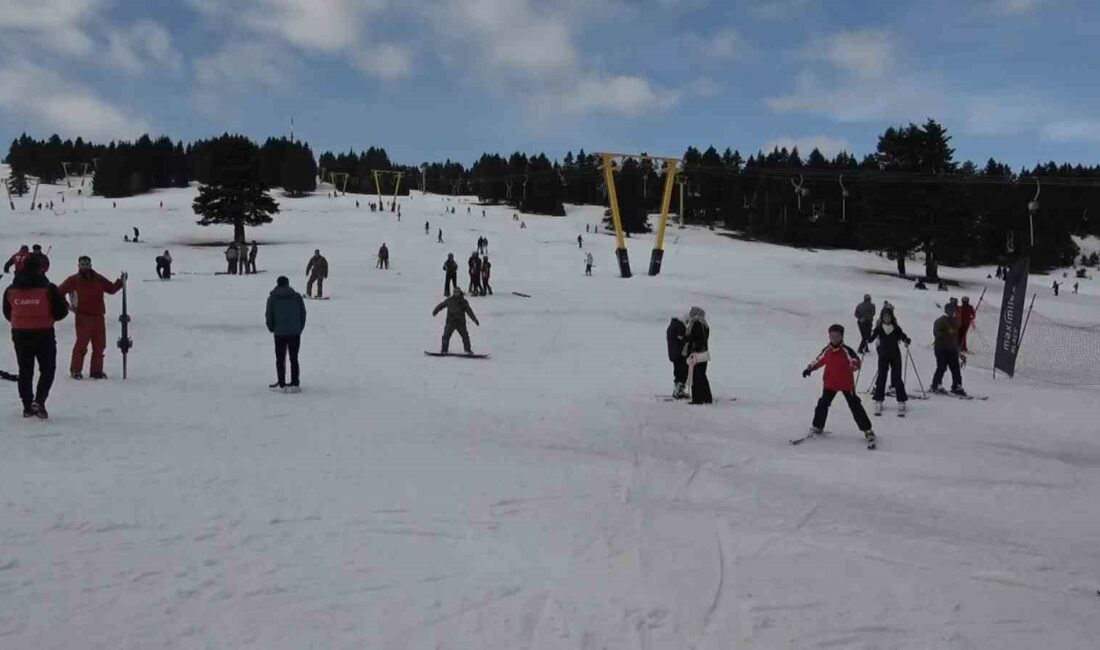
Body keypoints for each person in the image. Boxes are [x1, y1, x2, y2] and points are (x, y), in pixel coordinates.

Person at [3, 255, 68, 418]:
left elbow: (7, 312)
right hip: (44, 333)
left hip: (20, 334)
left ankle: (26, 406)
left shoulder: (11, 289)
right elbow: (61, 311)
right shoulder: (48, 288)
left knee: (25, 370)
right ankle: (39, 401)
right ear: (40, 268)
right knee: (47, 369)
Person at [801, 324, 875, 446]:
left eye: (837, 336)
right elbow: (818, 360)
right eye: (832, 336)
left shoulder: (846, 350)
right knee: (822, 404)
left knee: (855, 406)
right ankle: (817, 426)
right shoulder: (827, 350)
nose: (834, 339)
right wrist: (809, 369)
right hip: (830, 383)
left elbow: (855, 360)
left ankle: (867, 430)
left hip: (846, 384)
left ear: (842, 337)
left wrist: (854, 365)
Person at [57, 256, 125, 380]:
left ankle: (96, 371)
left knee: (100, 346)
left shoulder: (98, 278)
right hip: (83, 317)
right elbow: (58, 292)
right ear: (78, 266)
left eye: (87, 264)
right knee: (81, 345)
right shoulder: (73, 280)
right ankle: (76, 370)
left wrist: (120, 282)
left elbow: (111, 289)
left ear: (90, 265)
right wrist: (67, 306)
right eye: (82, 264)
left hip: (98, 316)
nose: (85, 266)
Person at [265, 276, 307, 393]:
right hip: (294, 332)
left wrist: (272, 328)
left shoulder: (272, 298)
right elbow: (302, 314)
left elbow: (269, 315)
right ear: (288, 284)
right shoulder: (297, 297)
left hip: (279, 332)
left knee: (280, 358)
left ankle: (282, 383)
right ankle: (295, 382)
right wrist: (299, 328)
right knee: (294, 358)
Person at [868, 306, 911, 415]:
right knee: (882, 377)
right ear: (882, 317)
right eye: (885, 316)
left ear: (892, 317)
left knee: (897, 378)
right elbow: (872, 337)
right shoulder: (879, 328)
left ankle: (901, 401)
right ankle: (879, 400)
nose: (887, 318)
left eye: (888, 316)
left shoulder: (896, 328)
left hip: (895, 355)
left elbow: (902, 336)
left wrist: (906, 340)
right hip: (883, 355)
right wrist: (868, 340)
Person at [432, 288, 480, 355]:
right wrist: (435, 311)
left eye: (458, 292)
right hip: (450, 322)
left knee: (465, 336)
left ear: (460, 292)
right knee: (446, 336)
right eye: (455, 292)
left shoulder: (464, 301)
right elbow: (441, 305)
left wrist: (475, 320)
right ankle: (444, 350)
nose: (456, 293)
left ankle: (468, 350)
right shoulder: (450, 300)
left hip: (460, 323)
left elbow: (469, 311)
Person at [931, 303, 965, 395]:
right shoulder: (941, 320)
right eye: (950, 310)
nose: (952, 312)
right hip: (941, 348)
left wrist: (957, 346)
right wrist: (946, 333)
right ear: (946, 311)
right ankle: (936, 384)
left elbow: (957, 333)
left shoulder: (955, 321)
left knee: (955, 368)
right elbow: (936, 333)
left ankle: (957, 386)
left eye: (953, 310)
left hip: (952, 349)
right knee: (942, 367)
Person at [683, 306, 712, 404]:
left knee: (696, 376)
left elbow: (696, 338)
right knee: (702, 376)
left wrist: (688, 341)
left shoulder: (696, 323)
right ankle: (707, 397)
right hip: (704, 354)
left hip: (697, 355)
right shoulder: (704, 324)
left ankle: (697, 399)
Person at [666, 316, 688, 399]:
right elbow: (683, 339)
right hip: (680, 354)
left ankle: (677, 390)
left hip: (674, 354)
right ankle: (679, 391)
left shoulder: (671, 326)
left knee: (678, 372)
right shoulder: (679, 326)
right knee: (681, 373)